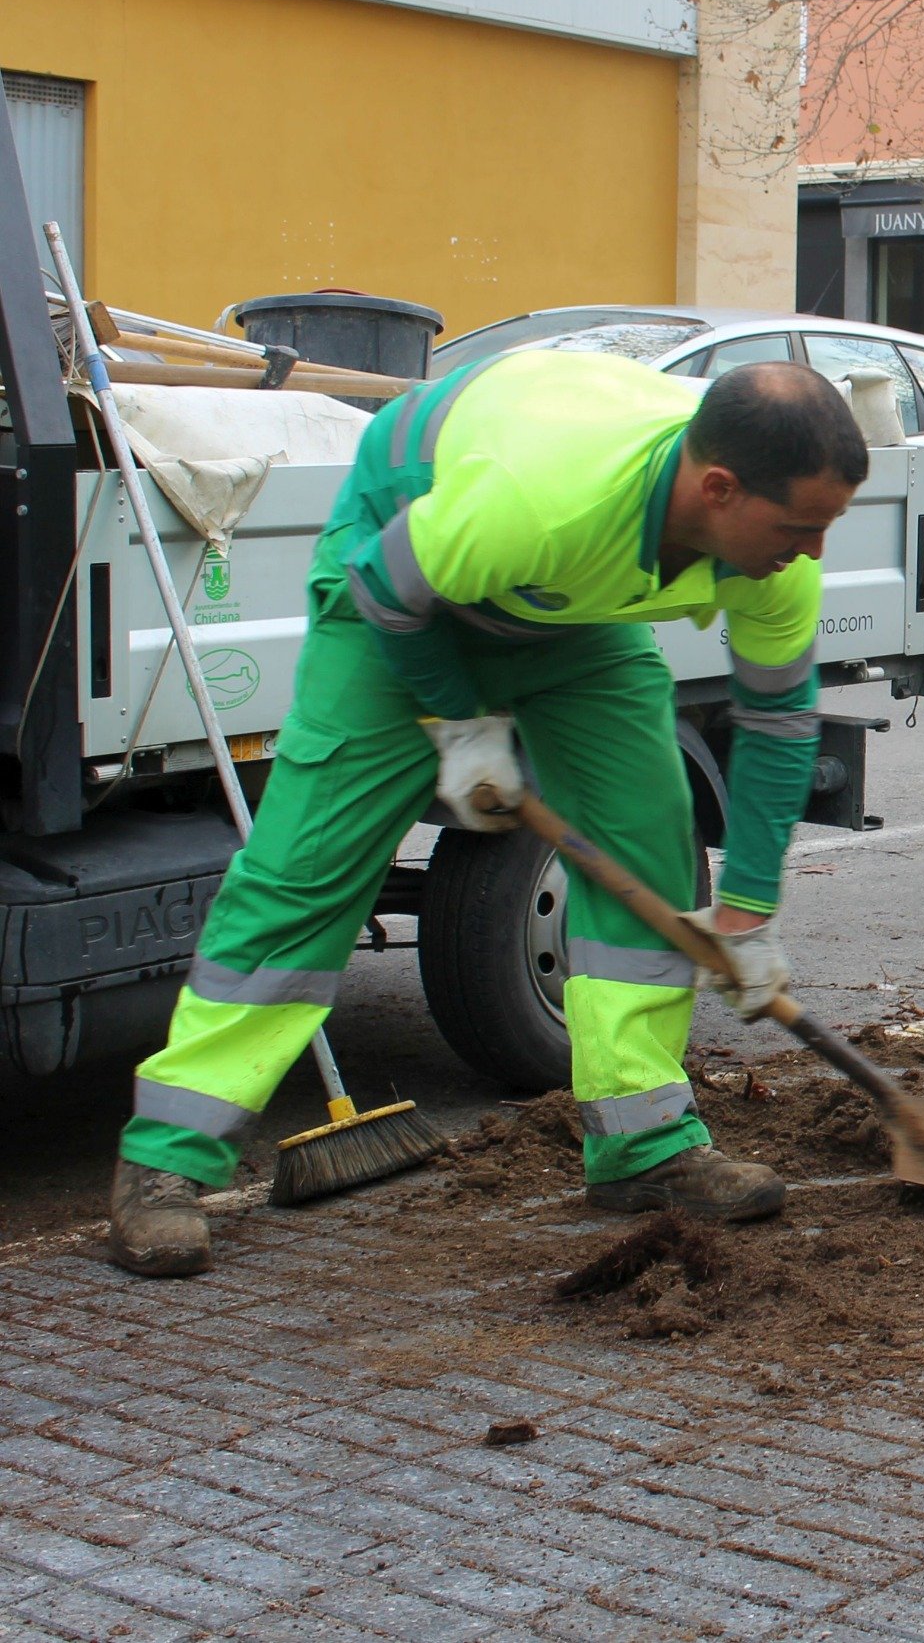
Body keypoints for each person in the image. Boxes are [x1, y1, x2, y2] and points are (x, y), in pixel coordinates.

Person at [108, 352, 870, 1276]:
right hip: (402, 581)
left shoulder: (773, 554)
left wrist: (746, 909)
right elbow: (388, 585)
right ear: (718, 488)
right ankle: (165, 1160)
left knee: (649, 833)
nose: (814, 550)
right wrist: (457, 723)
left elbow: (780, 724)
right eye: (801, 525)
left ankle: (645, 1145)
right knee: (304, 872)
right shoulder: (539, 495)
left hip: (565, 612)